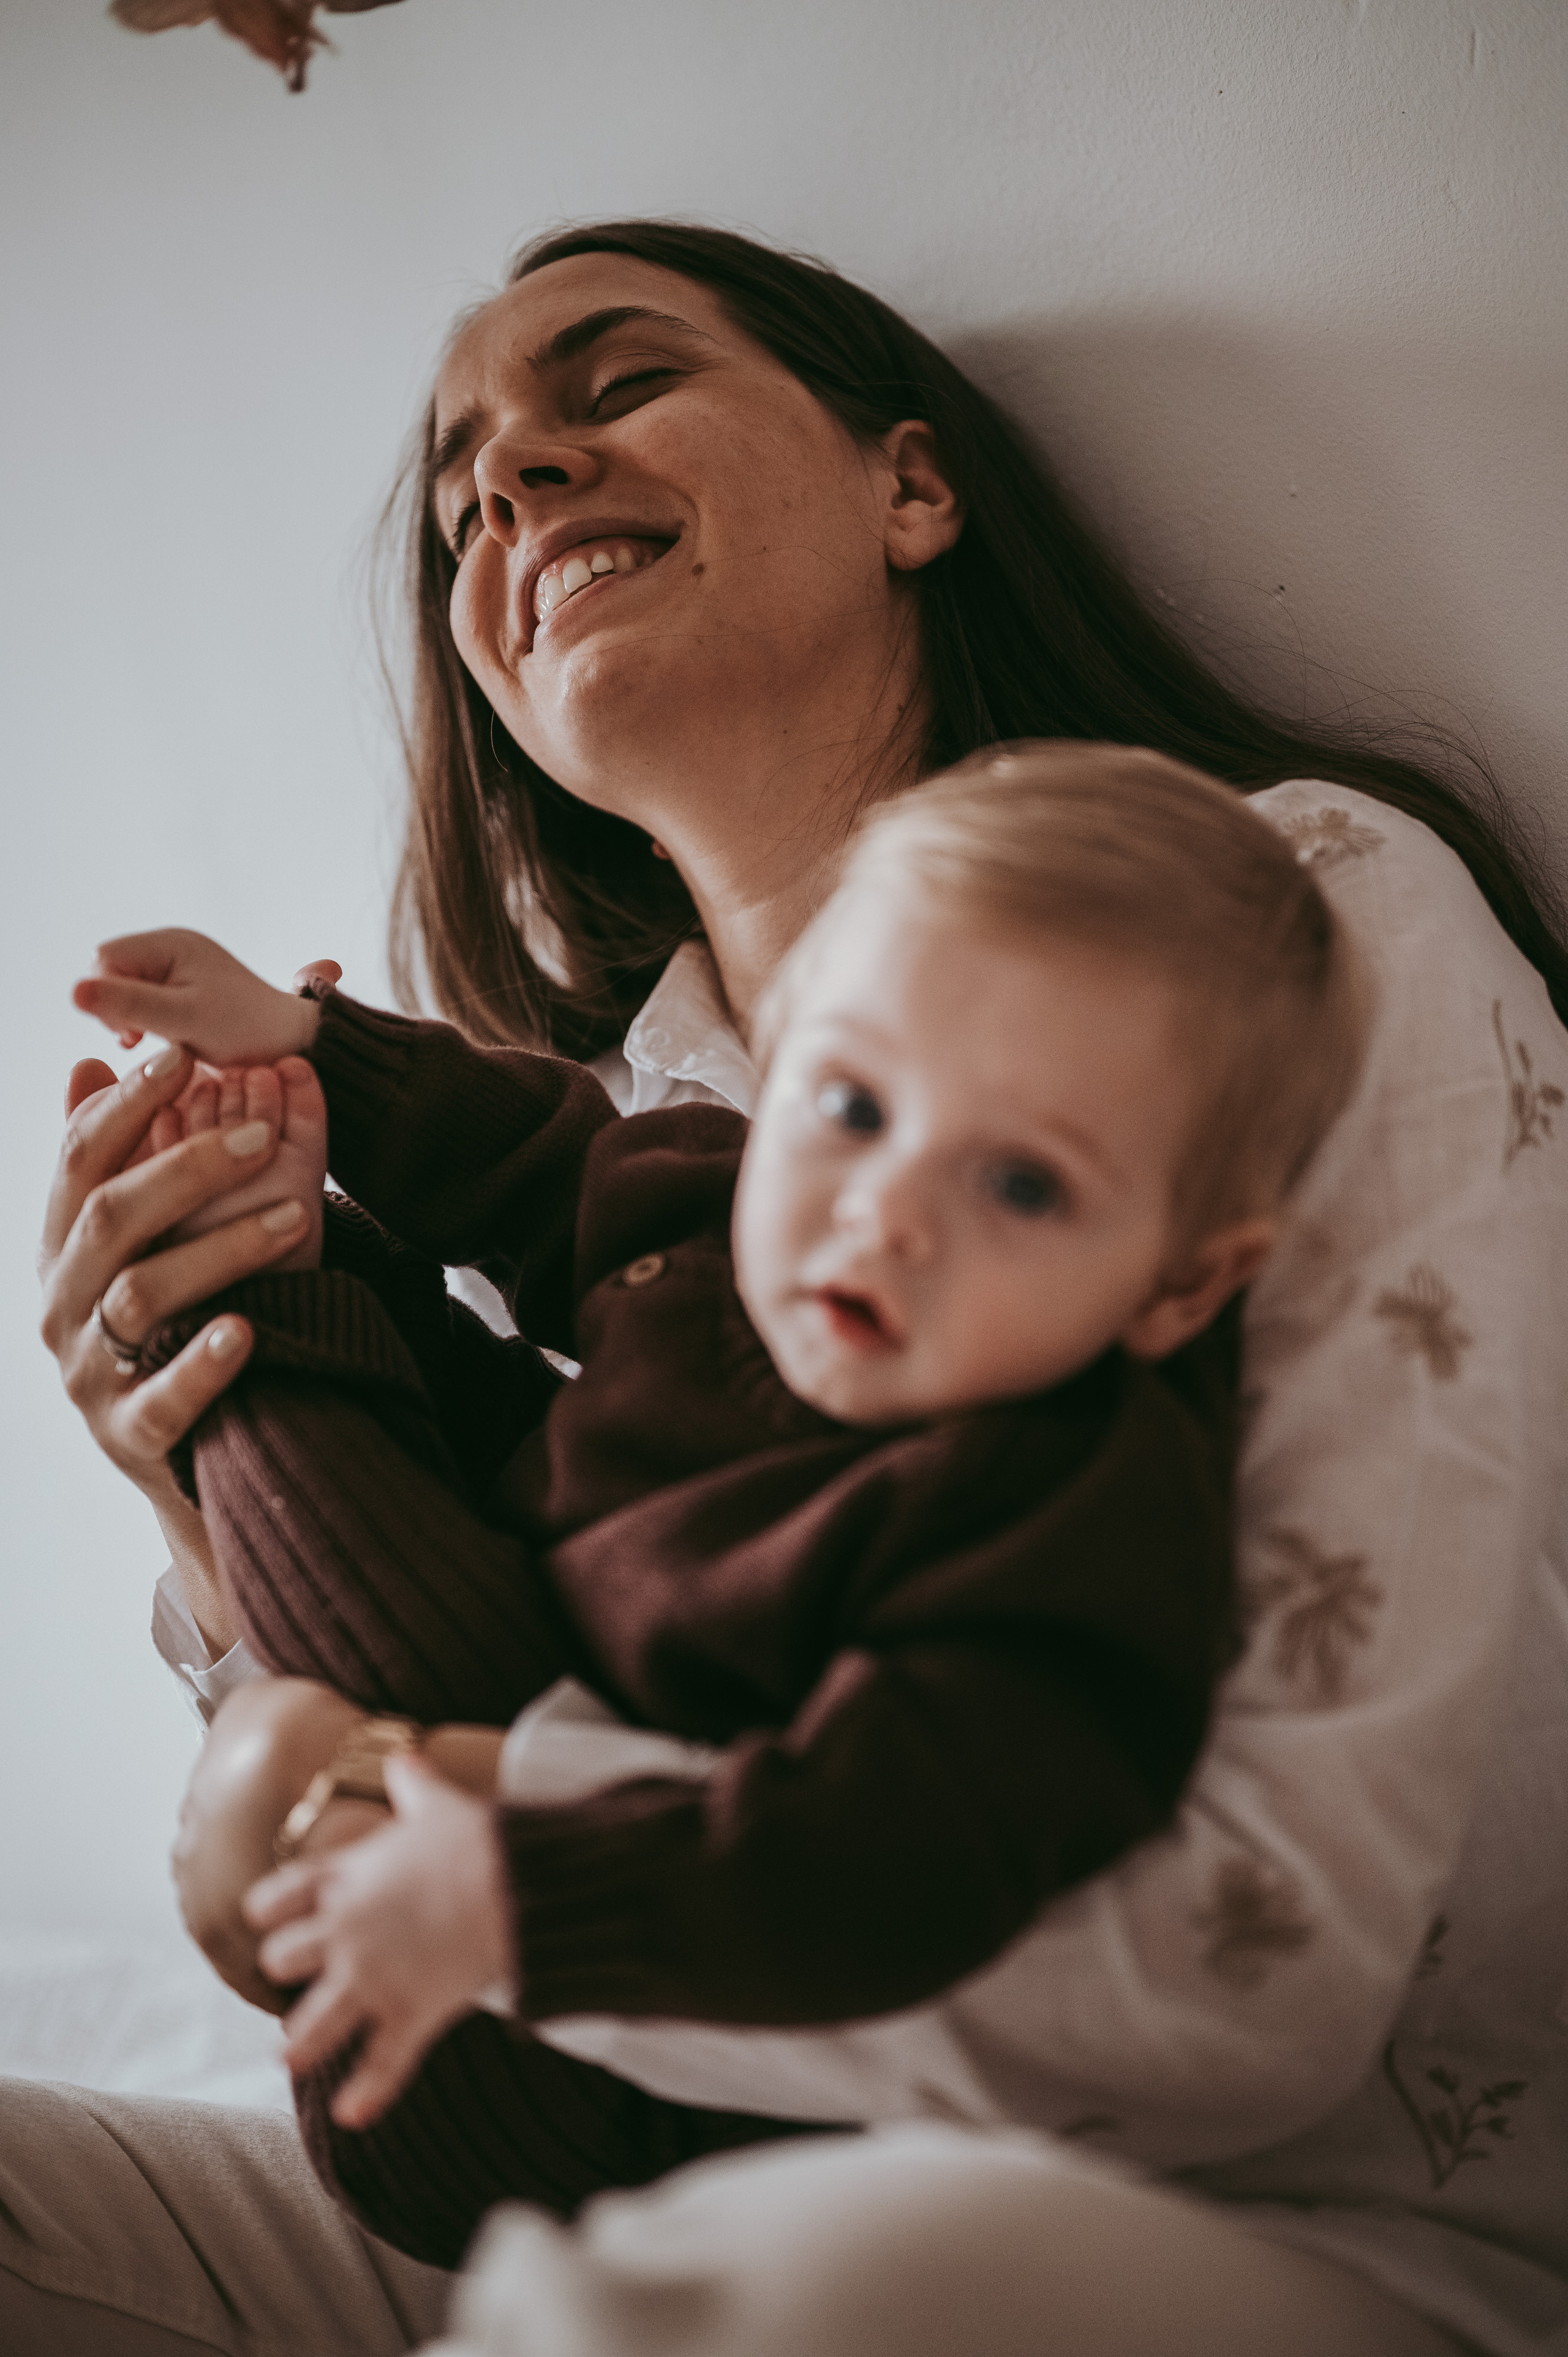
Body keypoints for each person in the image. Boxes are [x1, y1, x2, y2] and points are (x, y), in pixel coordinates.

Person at [17, 220, 1568, 2357]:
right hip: (640, 2125)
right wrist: (206, 1432)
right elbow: (424, 1696)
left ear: (911, 486)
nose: (511, 483)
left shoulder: (1284, 923)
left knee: (738, 2301)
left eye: (616, 382)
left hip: (1287, 2219)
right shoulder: (610, 1145)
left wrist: (493, 1839)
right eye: (467, 480)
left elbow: (1262, 1973)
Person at [72, 747, 1365, 2266]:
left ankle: (254, 1294)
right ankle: (261, 1250)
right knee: (368, 1322)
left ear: (1179, 1284)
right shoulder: (731, 1200)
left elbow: (875, 1856)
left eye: (1020, 1186)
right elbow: (539, 1157)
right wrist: (310, 1051)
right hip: (538, 1604)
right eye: (852, 1101)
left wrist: (511, 1892)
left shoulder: (1063, 1502)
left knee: (271, 1385)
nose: (883, 1209)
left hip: (621, 2095)